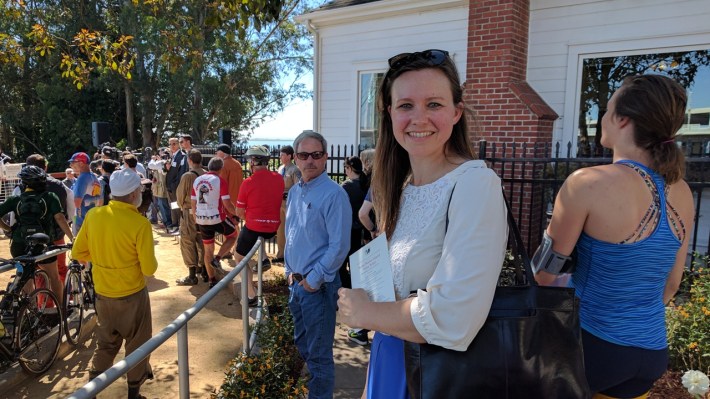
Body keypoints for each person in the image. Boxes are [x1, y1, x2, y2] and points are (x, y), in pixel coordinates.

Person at [336, 49, 507, 398]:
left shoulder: (474, 184)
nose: (419, 118)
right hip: (389, 359)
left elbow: (454, 316)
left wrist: (366, 312)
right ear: (389, 114)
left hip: (433, 373)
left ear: (456, 112)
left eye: (434, 104)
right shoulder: (403, 186)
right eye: (405, 105)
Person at [533, 74, 695, 398]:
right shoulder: (682, 191)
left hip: (592, 347)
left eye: (607, 111)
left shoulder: (587, 183)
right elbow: (673, 284)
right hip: (651, 352)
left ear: (622, 120)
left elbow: (544, 275)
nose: (602, 118)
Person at [72, 169, 157, 399]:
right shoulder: (140, 224)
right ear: (132, 195)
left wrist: (103, 259)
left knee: (105, 344)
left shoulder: (94, 216)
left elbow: (78, 252)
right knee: (138, 345)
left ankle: (91, 392)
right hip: (133, 295)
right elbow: (149, 269)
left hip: (103, 293)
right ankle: (133, 394)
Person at [285, 130, 351, 399]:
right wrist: (290, 273)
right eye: (303, 155)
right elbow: (292, 233)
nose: (309, 160)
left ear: (325, 157)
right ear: (295, 158)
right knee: (304, 345)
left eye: (316, 154)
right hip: (297, 284)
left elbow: (339, 246)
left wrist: (313, 280)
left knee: (320, 356)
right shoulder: (295, 191)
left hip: (318, 288)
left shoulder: (335, 195)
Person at [0, 165, 73, 303]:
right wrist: (71, 238)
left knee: (25, 279)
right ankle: (58, 310)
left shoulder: (15, 199)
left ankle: (30, 313)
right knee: (54, 277)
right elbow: (60, 218)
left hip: (19, 244)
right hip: (42, 243)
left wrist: (9, 229)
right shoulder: (50, 197)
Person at [232, 145, 284, 305]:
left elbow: (239, 212)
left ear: (253, 161)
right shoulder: (278, 178)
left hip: (254, 227)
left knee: (239, 257)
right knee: (253, 244)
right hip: (273, 227)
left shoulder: (248, 182)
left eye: (249, 160)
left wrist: (251, 216)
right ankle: (263, 259)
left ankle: (250, 295)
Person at [25, 154, 74, 285]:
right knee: (60, 270)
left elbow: (11, 217)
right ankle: (60, 299)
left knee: (35, 272)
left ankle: (41, 302)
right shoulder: (59, 185)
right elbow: (70, 210)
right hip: (57, 234)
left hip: (28, 235)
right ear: (45, 167)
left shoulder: (20, 187)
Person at [191, 157, 239, 288]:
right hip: (216, 217)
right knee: (233, 235)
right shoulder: (219, 180)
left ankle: (212, 280)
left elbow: (193, 202)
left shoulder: (197, 180)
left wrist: (195, 217)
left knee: (208, 250)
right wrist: (236, 214)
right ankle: (217, 259)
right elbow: (227, 204)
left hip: (201, 218)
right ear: (221, 169)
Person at [175, 149, 207, 285]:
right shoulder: (206, 174)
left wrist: (181, 205)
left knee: (188, 241)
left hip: (189, 212)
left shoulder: (187, 176)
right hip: (204, 213)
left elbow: (180, 197)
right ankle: (204, 269)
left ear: (189, 160)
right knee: (203, 241)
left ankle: (192, 275)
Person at [339, 156, 368, 289]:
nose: (345, 170)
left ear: (350, 168)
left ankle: (347, 288)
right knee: (358, 264)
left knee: (342, 265)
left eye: (345, 167)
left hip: (347, 229)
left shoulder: (346, 186)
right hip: (364, 228)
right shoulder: (366, 184)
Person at [275, 145, 300, 263]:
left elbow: (298, 188)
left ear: (289, 156)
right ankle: (280, 254)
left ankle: (290, 255)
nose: (280, 157)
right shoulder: (280, 168)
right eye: (280, 155)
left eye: (282, 155)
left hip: (289, 203)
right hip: (279, 202)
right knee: (280, 229)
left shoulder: (295, 170)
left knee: (290, 229)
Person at [69, 152, 103, 235]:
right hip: (94, 218)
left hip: (80, 220)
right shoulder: (94, 177)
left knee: (80, 246)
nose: (71, 165)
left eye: (73, 162)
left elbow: (76, 203)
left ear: (81, 163)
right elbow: (101, 201)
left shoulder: (82, 178)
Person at [147, 150, 174, 229]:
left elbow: (150, 165)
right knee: (166, 205)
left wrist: (153, 159)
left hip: (162, 189)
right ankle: (168, 222)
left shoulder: (161, 162)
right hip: (165, 188)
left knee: (163, 205)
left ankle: (167, 223)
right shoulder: (167, 162)